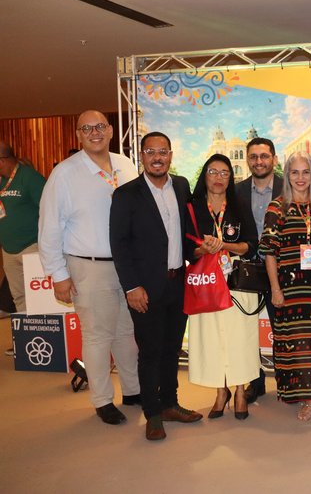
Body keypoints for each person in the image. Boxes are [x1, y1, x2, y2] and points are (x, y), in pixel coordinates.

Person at [38, 109, 140, 425]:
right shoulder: (65, 174)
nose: (94, 133)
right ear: (79, 135)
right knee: (97, 336)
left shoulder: (125, 165)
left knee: (127, 332)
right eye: (87, 128)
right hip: (89, 266)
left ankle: (133, 391)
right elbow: (49, 226)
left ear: (110, 131)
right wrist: (58, 274)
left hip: (127, 266)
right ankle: (102, 400)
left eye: (99, 126)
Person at [110, 132, 202, 440]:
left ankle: (170, 404)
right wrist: (131, 286)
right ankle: (152, 413)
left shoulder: (181, 186)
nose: (157, 157)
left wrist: (199, 251)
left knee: (172, 349)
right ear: (142, 156)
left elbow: (187, 231)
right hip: (145, 289)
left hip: (178, 283)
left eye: (163, 151)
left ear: (171, 155)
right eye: (151, 152)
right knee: (150, 351)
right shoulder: (125, 195)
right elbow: (119, 244)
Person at [185, 154, 260, 421]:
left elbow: (251, 245)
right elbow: (186, 248)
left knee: (240, 338)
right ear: (204, 175)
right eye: (213, 172)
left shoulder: (240, 205)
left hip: (236, 281)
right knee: (212, 337)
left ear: (231, 177)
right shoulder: (192, 207)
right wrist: (202, 249)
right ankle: (221, 391)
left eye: (224, 173)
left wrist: (223, 245)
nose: (218, 178)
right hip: (206, 281)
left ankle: (240, 391)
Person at [261, 151, 311, 421]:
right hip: (290, 291)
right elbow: (269, 251)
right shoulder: (277, 207)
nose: (300, 178)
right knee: (298, 346)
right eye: (294, 172)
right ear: (287, 176)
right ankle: (308, 399)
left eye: (306, 172)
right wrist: (275, 289)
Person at [235, 136, 283, 404]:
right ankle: (255, 382)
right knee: (246, 330)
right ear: (247, 160)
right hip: (248, 269)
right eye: (253, 157)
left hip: (282, 269)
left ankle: (286, 382)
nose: (259, 161)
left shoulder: (290, 187)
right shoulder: (236, 191)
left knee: (282, 328)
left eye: (264, 156)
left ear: (274, 159)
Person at [0, 141, 45, 355]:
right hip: (8, 249)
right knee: (18, 296)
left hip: (32, 245)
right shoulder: (1, 181)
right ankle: (25, 340)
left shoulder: (29, 177)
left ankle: (44, 340)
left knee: (39, 297)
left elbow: (48, 209)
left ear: (3, 160)